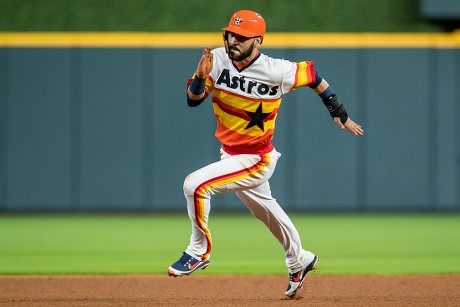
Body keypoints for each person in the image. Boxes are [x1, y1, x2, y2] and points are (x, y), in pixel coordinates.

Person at [168, 10, 364, 298]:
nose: (233, 40)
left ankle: (199, 250)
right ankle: (300, 259)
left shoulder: (277, 70)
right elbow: (193, 101)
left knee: (194, 185)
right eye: (231, 33)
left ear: (257, 40)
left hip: (256, 158)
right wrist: (199, 77)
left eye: (241, 36)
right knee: (267, 212)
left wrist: (339, 112)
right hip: (231, 155)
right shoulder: (217, 60)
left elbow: (313, 76)